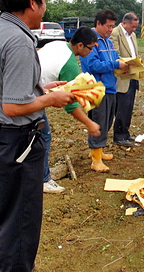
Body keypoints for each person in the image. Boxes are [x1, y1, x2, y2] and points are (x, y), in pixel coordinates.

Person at [0, 0, 75, 272]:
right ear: (33, 2)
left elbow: (4, 86)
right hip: (13, 142)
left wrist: (42, 90)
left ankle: (1, 266)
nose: (45, 9)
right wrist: (50, 101)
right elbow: (13, 106)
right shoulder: (18, 40)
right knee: (21, 219)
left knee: (3, 212)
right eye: (43, 3)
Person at [38, 27, 101, 193]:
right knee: (43, 136)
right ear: (80, 45)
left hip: (31, 89)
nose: (92, 50)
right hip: (31, 96)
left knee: (39, 136)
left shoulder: (59, 44)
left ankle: (40, 174)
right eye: (90, 47)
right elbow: (71, 105)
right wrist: (89, 124)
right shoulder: (70, 64)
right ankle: (43, 180)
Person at [80, 9, 129, 172]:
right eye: (108, 26)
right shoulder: (90, 41)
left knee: (107, 121)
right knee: (98, 121)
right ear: (98, 24)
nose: (110, 29)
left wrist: (124, 63)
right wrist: (116, 65)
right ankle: (95, 159)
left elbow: (113, 58)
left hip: (110, 88)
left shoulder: (107, 42)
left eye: (112, 26)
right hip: (96, 88)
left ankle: (97, 151)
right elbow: (93, 65)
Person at [110, 12, 140, 146]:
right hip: (121, 76)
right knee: (121, 106)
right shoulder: (115, 33)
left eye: (135, 27)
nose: (134, 30)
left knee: (129, 106)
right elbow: (114, 54)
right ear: (124, 23)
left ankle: (126, 132)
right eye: (132, 27)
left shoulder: (132, 35)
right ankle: (119, 135)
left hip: (133, 74)